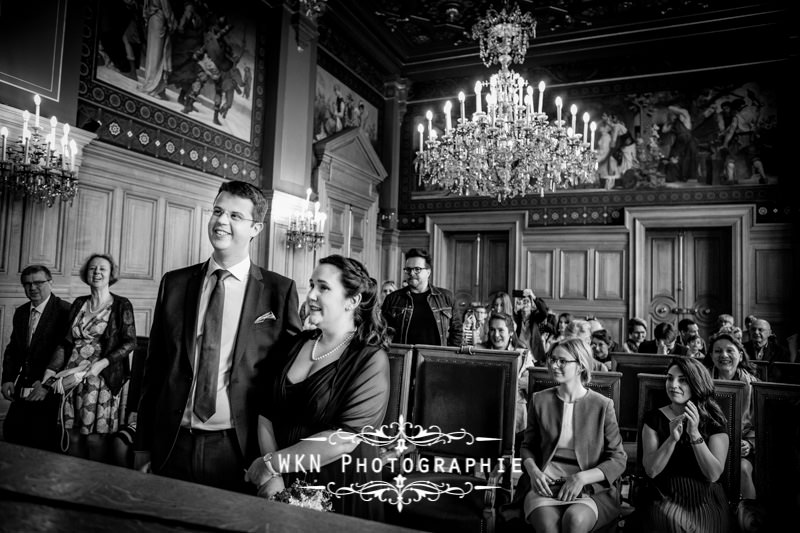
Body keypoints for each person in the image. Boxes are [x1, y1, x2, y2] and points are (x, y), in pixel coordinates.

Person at [134, 181, 302, 493]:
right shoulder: (175, 284)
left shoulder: (279, 291)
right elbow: (153, 370)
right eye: (217, 211)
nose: (221, 221)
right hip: (171, 442)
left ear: (256, 228)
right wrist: (142, 446)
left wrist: (276, 461)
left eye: (235, 216)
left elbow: (285, 384)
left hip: (237, 449)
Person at [245, 255, 390, 520]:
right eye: (311, 285)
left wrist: (271, 464)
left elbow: (344, 440)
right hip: (281, 479)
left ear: (352, 301)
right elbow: (265, 412)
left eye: (323, 287)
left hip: (340, 486)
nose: (311, 294)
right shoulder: (296, 344)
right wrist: (274, 478)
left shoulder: (370, 359)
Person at [514, 338, 627, 532]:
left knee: (574, 520)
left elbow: (618, 459)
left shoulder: (602, 405)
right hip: (545, 485)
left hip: (590, 488)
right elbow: (527, 446)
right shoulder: (539, 400)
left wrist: (581, 478)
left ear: (581, 365)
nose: (554, 365)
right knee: (548, 525)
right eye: (552, 359)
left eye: (562, 361)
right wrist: (533, 472)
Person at [40, 253, 136, 463]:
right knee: (72, 435)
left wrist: (101, 364)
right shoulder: (78, 303)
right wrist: (51, 370)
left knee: (94, 439)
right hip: (72, 377)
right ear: (86, 274)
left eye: (102, 268)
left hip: (100, 379)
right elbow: (66, 342)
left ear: (111, 274)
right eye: (93, 268)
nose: (97, 272)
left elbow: (130, 343)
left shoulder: (121, 305)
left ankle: (94, 484)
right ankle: (74, 484)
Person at [640, 357, 730, 532]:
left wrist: (694, 433)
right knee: (671, 526)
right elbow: (651, 470)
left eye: (682, 380)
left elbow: (713, 474)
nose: (673, 385)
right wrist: (672, 439)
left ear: (696, 383)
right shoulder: (653, 418)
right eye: (669, 378)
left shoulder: (715, 421)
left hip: (705, 495)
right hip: (665, 493)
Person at [1, 265, 71, 450]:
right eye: (27, 284)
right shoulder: (22, 312)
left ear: (50, 283)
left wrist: (47, 384)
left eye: (38, 282)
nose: (32, 288)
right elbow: (14, 349)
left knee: (41, 440)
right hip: (23, 386)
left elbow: (68, 354)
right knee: (11, 433)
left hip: (51, 389)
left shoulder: (65, 311)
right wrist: (7, 378)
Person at [707, 332, 757, 501]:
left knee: (743, 468)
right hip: (706, 444)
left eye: (730, 350)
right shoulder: (700, 381)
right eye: (718, 351)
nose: (724, 355)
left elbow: (762, 424)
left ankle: (747, 517)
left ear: (740, 355)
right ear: (711, 355)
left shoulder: (754, 385)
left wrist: (749, 443)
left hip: (740, 448)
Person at [381, 249, 461, 346]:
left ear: (428, 272)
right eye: (408, 269)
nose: (411, 273)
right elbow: (383, 332)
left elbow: (457, 331)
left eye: (417, 269)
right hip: (403, 358)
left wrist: (448, 358)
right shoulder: (392, 299)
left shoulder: (446, 297)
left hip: (437, 358)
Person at [479, 312, 532, 450]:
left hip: (515, 417)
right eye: (492, 330)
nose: (496, 335)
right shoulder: (479, 350)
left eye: (501, 330)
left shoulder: (523, 354)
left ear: (510, 332)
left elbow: (529, 384)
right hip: (484, 414)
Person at [515, 288, 549, 365]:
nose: (525, 304)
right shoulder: (516, 317)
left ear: (531, 304)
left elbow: (545, 313)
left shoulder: (535, 317)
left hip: (534, 357)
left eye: (527, 301)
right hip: (519, 356)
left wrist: (533, 296)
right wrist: (515, 310)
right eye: (523, 302)